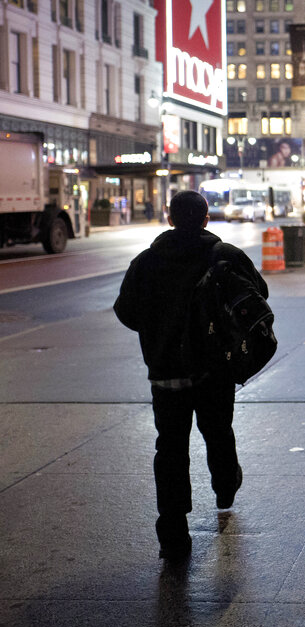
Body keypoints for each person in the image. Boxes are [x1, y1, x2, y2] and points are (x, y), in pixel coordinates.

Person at [114, 190, 268, 562]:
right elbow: (258, 294)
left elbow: (125, 310)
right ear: (206, 218)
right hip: (214, 369)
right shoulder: (225, 256)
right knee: (217, 431)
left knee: (169, 448)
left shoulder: (146, 261)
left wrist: (159, 333)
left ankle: (173, 532)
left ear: (169, 219)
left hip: (165, 372)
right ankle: (225, 485)